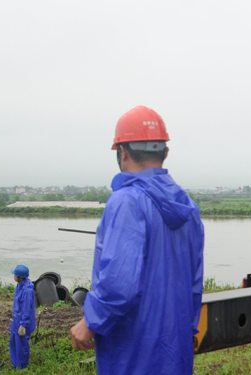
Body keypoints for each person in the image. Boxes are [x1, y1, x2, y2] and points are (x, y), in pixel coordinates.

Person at [70, 105, 204, 375]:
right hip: (174, 350)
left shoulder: (127, 201)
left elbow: (121, 284)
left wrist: (91, 321)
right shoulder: (189, 207)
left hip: (132, 352)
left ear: (123, 153)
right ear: (165, 153)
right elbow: (194, 286)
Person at [9, 264, 36, 370]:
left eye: (15, 274)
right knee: (13, 343)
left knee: (21, 346)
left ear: (19, 277)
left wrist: (23, 325)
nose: (14, 276)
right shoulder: (20, 285)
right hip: (16, 320)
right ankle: (15, 364)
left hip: (22, 323)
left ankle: (21, 367)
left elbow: (26, 309)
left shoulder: (27, 290)